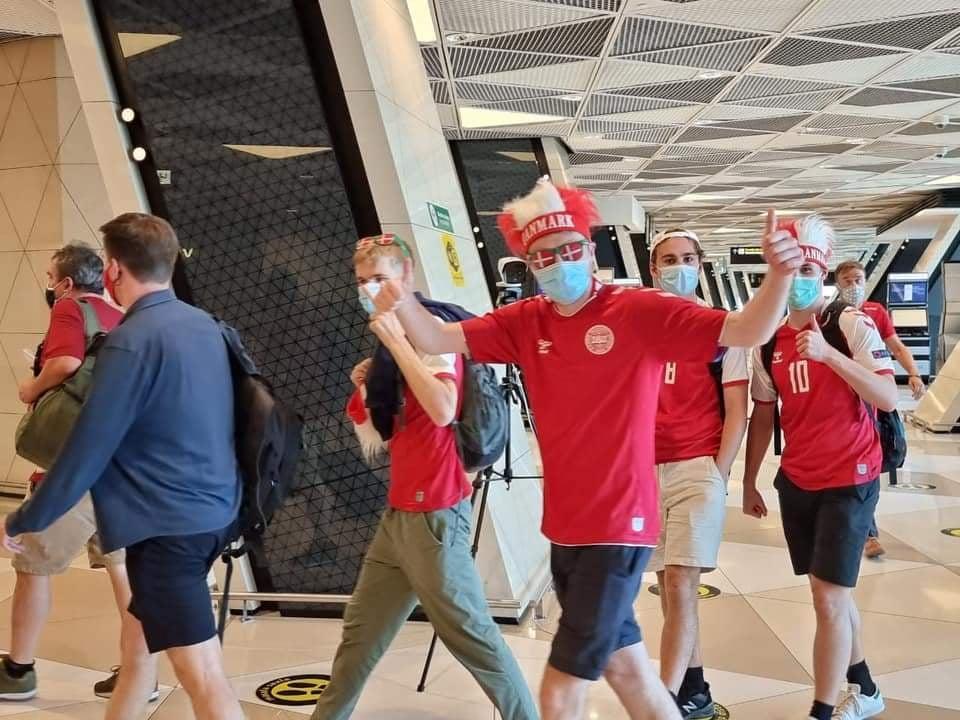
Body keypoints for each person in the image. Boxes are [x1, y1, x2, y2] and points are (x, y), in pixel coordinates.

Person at [369, 178, 802, 720]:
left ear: (591, 250)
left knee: (559, 692)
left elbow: (746, 330)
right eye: (544, 256)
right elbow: (436, 338)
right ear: (531, 264)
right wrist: (400, 296)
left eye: (570, 249)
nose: (560, 263)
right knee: (631, 674)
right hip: (566, 527)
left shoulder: (640, 310)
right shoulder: (527, 320)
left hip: (618, 525)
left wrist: (779, 276)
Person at [2, 213, 243, 720]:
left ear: (113, 269)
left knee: (203, 677)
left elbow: (86, 451)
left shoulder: (131, 342)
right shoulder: (207, 327)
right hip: (214, 513)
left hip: (167, 532)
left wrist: (23, 519)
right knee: (136, 660)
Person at [311, 234, 537, 720]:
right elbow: (388, 430)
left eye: (380, 278)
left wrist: (397, 344)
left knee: (474, 638)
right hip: (401, 514)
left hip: (434, 514)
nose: (369, 290)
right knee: (360, 635)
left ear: (407, 276)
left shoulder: (431, 334)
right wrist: (370, 380)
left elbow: (442, 407)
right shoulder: (391, 344)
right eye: (362, 281)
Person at [742, 215, 897, 720]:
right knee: (828, 591)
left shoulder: (849, 324)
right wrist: (748, 479)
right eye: (789, 270)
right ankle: (866, 688)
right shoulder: (768, 342)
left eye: (807, 269)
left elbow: (887, 396)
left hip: (851, 477)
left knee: (829, 599)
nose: (798, 279)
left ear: (822, 271)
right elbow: (764, 413)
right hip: (799, 479)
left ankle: (823, 711)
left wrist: (830, 356)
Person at [0, 244, 155, 703]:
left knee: (32, 563)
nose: (49, 285)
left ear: (67, 282)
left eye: (51, 277)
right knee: (123, 569)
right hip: (123, 467)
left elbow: (65, 363)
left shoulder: (71, 308)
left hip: (78, 464)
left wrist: (31, 387)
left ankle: (18, 672)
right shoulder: (121, 317)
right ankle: (138, 674)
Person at [649, 229, 749, 719]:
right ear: (654, 270)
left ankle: (664, 701)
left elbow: (738, 409)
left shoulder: (722, 329)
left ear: (701, 264)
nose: (679, 267)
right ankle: (695, 689)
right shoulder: (640, 328)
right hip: (647, 470)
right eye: (669, 260)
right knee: (669, 586)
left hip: (697, 466)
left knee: (681, 582)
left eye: (688, 258)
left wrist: (719, 472)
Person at [835, 259, 924, 559]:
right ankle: (867, 533)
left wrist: (913, 373)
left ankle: (862, 526)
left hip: (877, 399)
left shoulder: (876, 312)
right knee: (857, 463)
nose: (853, 285)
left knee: (882, 456)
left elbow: (896, 346)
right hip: (849, 404)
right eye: (847, 280)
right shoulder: (831, 316)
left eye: (858, 279)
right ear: (838, 284)